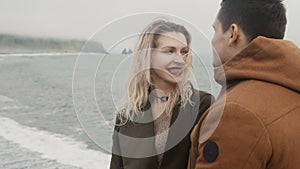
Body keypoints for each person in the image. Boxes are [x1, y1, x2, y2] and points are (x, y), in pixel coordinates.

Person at [188, 0, 300, 168]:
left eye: (215, 30)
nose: (212, 41)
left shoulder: (235, 113)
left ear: (233, 33)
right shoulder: (290, 87)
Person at [109, 20, 214, 169]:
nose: (180, 60)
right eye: (169, 51)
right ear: (148, 56)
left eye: (184, 52)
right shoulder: (126, 116)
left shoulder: (202, 105)